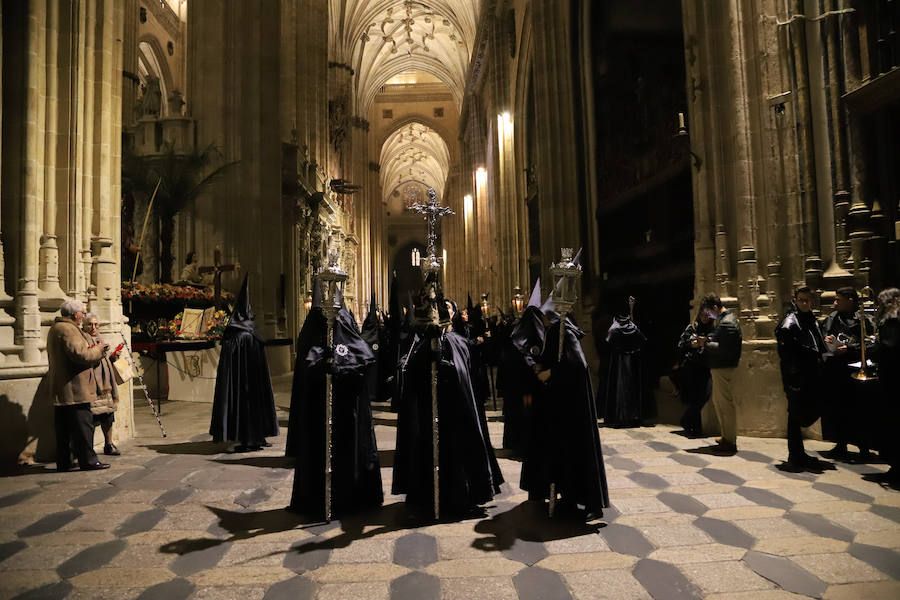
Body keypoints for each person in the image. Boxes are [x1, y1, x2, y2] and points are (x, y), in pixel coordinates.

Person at [392, 284, 503, 516]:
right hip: (430, 415)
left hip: (455, 414)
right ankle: (428, 497)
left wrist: (446, 369)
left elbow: (466, 378)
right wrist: (428, 363)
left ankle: (459, 496)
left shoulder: (457, 342)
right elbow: (412, 375)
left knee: (455, 456)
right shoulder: (423, 343)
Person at [287, 281, 383, 518]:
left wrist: (342, 365)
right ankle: (317, 496)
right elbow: (304, 367)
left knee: (348, 447)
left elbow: (360, 356)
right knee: (319, 446)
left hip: (347, 407)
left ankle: (352, 494)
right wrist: (320, 363)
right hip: (319, 408)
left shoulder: (346, 326)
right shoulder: (312, 329)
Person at [520, 295, 609, 520]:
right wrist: (542, 365)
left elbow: (577, 366)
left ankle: (591, 504)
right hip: (561, 406)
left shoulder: (563, 332)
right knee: (564, 453)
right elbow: (555, 359)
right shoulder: (555, 332)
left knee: (577, 452)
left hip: (572, 409)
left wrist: (550, 373)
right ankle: (568, 498)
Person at [209, 275, 279, 451]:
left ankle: (251, 435)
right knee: (249, 403)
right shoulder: (247, 333)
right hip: (249, 381)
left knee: (244, 402)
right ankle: (250, 436)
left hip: (245, 381)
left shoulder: (234, 334)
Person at [47, 300, 110, 471]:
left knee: (64, 429)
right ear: (75, 314)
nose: (83, 315)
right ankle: (88, 461)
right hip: (75, 388)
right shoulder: (68, 329)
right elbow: (81, 355)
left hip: (64, 387)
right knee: (83, 426)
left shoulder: (56, 328)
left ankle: (65, 461)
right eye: (82, 312)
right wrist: (99, 349)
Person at [819, 286, 876, 461]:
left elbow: (871, 342)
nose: (835, 303)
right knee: (837, 409)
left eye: (838, 300)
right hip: (837, 370)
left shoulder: (863, 319)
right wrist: (827, 340)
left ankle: (864, 448)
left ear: (850, 300)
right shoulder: (832, 317)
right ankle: (840, 444)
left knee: (860, 410)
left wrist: (850, 348)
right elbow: (822, 334)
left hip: (855, 368)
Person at [775, 287, 828, 469]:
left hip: (811, 375)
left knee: (802, 413)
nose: (804, 303)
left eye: (807, 300)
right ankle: (795, 455)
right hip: (797, 377)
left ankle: (798, 453)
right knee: (795, 415)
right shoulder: (790, 323)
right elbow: (787, 354)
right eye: (801, 300)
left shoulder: (811, 319)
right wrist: (793, 380)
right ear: (795, 301)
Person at [498, 280, 544, 455]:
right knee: (520, 412)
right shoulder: (516, 330)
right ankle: (518, 442)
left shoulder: (533, 331)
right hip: (519, 381)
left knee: (526, 412)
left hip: (527, 382)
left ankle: (523, 442)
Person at [693, 294, 742, 454]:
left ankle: (729, 440)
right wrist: (707, 339)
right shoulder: (727, 319)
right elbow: (720, 340)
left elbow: (723, 349)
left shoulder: (727, 323)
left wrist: (704, 343)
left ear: (715, 308)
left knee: (725, 404)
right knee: (720, 402)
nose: (709, 316)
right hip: (722, 366)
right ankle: (726, 436)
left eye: (709, 313)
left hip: (723, 367)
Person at [603, 299, 649, 427]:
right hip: (630, 366)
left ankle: (620, 417)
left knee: (620, 389)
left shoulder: (614, 328)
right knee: (630, 389)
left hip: (619, 366)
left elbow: (609, 341)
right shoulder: (632, 327)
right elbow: (640, 340)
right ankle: (631, 416)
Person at [82, 313, 122, 456]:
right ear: (84, 325)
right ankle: (89, 449)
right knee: (92, 418)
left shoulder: (100, 338)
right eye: (90, 324)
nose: (93, 327)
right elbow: (87, 357)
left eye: (96, 324)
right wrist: (100, 349)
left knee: (108, 416)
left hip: (107, 385)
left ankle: (109, 444)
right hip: (93, 383)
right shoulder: (82, 339)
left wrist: (113, 356)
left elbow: (105, 356)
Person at [672, 307, 713, 436]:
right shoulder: (693, 328)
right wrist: (692, 344)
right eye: (703, 315)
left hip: (706, 367)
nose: (705, 318)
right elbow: (681, 344)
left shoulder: (712, 330)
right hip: (692, 367)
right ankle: (695, 428)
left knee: (705, 395)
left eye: (708, 316)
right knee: (696, 397)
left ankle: (686, 420)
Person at [873, 288, 900, 483]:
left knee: (892, 424)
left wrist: (874, 349)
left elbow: (889, 348)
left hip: (893, 382)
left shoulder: (892, 323)